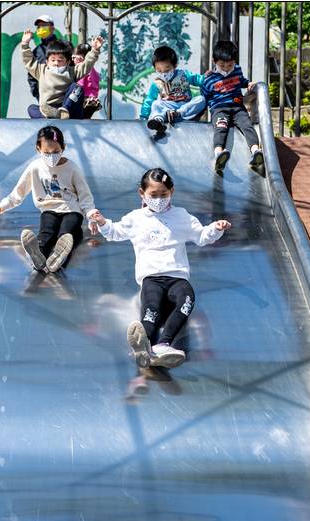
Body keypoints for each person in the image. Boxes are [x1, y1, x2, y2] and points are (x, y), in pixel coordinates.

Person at [88, 168, 231, 369]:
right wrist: (102, 222)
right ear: (142, 194)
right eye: (153, 195)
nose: (159, 199)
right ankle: (143, 341)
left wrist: (215, 229)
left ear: (171, 191)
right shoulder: (136, 218)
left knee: (187, 298)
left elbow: (201, 236)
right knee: (151, 309)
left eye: (163, 194)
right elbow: (114, 232)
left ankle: (163, 344)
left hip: (177, 277)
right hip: (151, 278)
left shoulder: (181, 216)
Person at [0, 126, 100, 273]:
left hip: (71, 210)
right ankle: (37, 258)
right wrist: (1, 206)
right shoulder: (35, 167)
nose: (52, 156)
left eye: (56, 152)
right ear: (38, 149)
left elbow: (85, 195)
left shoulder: (72, 168)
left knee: (66, 234)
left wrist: (90, 215)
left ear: (63, 147)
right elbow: (19, 192)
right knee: (46, 234)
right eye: (47, 153)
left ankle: (59, 261)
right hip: (48, 210)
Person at [200, 40, 263, 177]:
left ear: (234, 61)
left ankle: (256, 151)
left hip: (237, 107)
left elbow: (241, 80)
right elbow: (204, 94)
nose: (226, 68)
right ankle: (218, 153)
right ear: (214, 61)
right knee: (221, 128)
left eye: (230, 64)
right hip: (219, 109)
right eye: (222, 65)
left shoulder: (237, 70)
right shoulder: (210, 78)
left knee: (247, 126)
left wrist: (248, 84)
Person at [22, 31, 103, 120]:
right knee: (31, 109)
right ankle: (51, 116)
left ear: (67, 62)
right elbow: (29, 61)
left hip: (68, 108)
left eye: (60, 60)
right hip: (49, 109)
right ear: (47, 61)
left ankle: (64, 111)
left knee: (77, 88)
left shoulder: (72, 71)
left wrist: (95, 50)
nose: (56, 63)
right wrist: (25, 44)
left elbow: (87, 65)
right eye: (53, 60)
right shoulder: (41, 70)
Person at [139, 45, 206, 135]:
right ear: (154, 68)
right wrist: (143, 117)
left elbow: (197, 79)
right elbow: (149, 99)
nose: (163, 74)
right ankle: (158, 121)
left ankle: (178, 114)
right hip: (168, 107)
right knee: (156, 103)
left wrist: (209, 79)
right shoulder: (157, 83)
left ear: (175, 65)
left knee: (201, 99)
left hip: (184, 106)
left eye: (167, 70)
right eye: (159, 70)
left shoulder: (184, 75)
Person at [26, 14, 58, 101]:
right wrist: (37, 93)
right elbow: (31, 74)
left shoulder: (64, 46)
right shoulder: (36, 51)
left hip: (63, 96)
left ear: (52, 28)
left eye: (44, 25)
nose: (41, 28)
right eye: (38, 27)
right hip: (44, 97)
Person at [73, 43, 102, 117]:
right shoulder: (93, 71)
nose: (73, 60)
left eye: (75, 57)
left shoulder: (82, 71)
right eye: (73, 58)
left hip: (84, 99)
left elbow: (80, 84)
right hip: (92, 98)